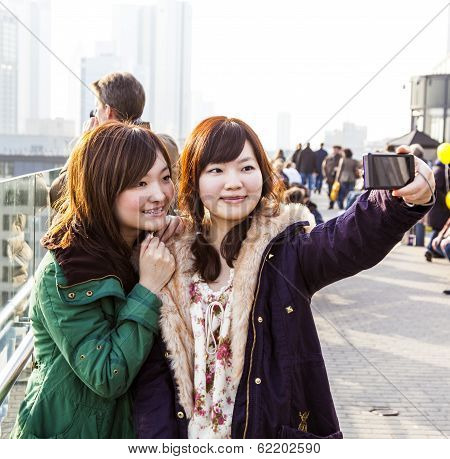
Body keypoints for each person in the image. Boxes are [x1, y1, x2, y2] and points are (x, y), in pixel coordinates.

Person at [133, 116, 435, 439]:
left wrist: (397, 199)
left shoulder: (288, 248)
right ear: (193, 180)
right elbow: (154, 375)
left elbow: (347, 238)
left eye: (246, 168)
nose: (233, 182)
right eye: (216, 170)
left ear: (263, 174)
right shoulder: (167, 260)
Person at [11, 122, 180, 439]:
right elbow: (107, 375)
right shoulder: (63, 271)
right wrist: (147, 289)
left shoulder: (146, 244)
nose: (160, 194)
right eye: (140, 183)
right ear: (103, 188)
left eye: (165, 178)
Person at [50, 72, 148, 207]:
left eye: (96, 109)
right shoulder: (152, 145)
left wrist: (83, 145)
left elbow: (57, 195)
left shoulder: (103, 153)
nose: (94, 115)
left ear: (108, 111)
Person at [424, 160, 450, 262]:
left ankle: (431, 250)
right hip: (440, 208)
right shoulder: (440, 171)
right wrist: (446, 199)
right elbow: (437, 190)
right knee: (438, 228)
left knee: (438, 228)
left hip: (438, 208)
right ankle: (430, 249)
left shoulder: (437, 169)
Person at [322, 145, 343, 209]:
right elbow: (323, 167)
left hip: (339, 178)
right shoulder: (328, 157)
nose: (335, 150)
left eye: (337, 149)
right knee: (330, 191)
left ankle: (340, 205)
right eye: (334, 149)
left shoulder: (341, 157)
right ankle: (331, 204)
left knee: (339, 192)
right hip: (329, 178)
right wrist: (325, 176)